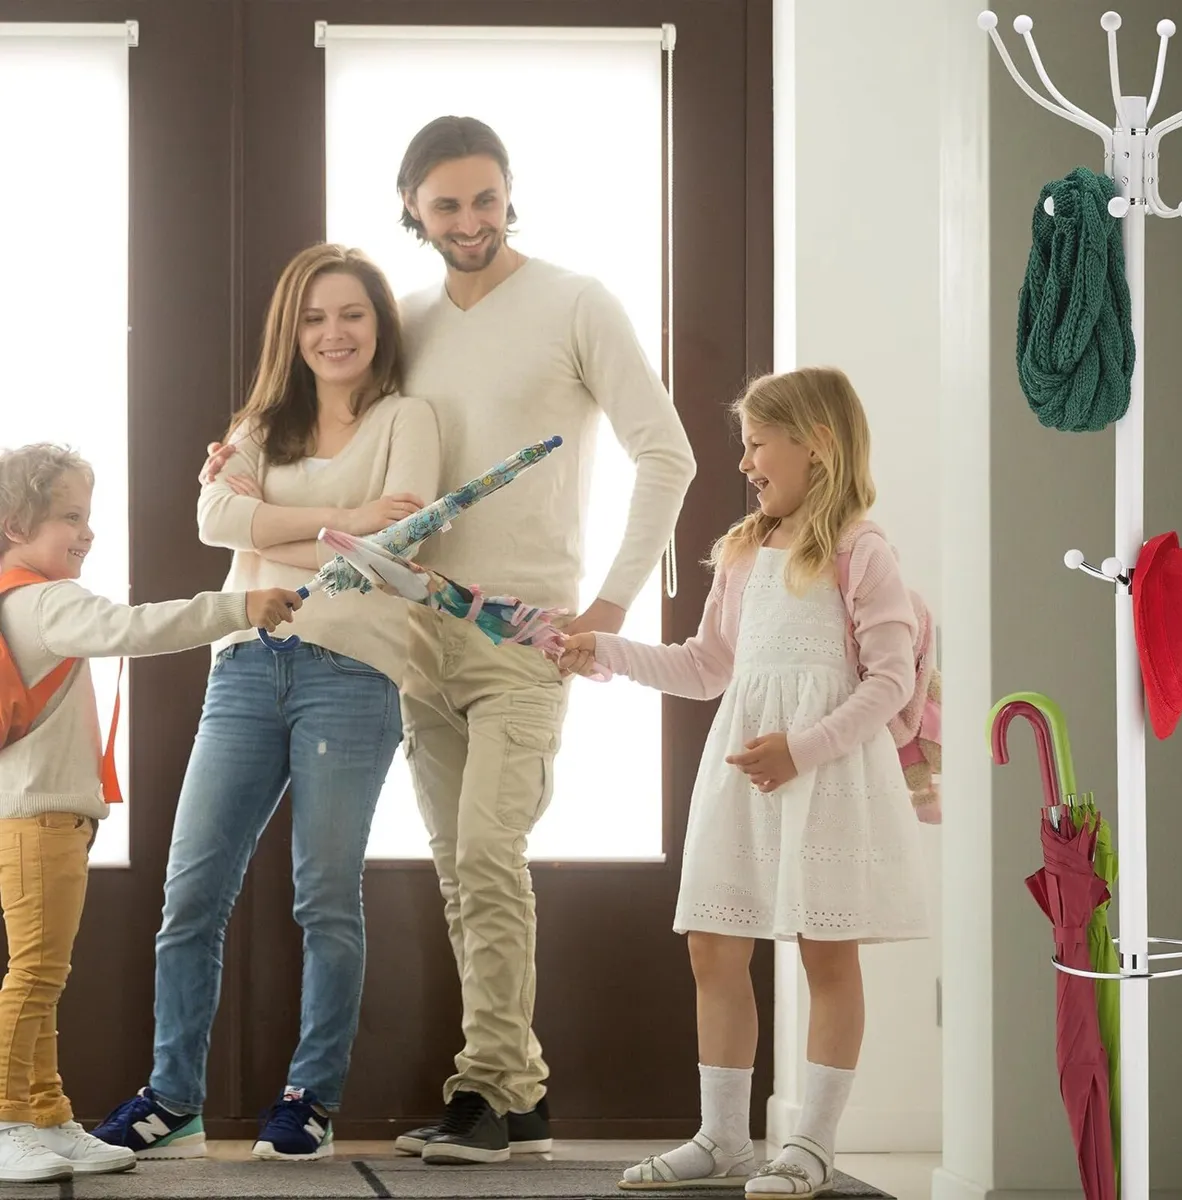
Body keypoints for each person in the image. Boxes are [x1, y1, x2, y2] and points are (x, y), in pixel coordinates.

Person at [200, 114, 696, 1164]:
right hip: (414, 634)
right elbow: (330, 412)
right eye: (445, 205)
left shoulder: (577, 302)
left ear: (511, 195)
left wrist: (608, 608)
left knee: (486, 850)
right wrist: (238, 455)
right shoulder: (407, 320)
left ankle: (499, 1085)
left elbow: (668, 454)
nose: (469, 221)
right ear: (413, 212)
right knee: (459, 866)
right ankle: (509, 1097)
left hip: (525, 632)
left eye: (484, 198)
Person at [92, 243, 440, 1162]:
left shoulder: (410, 418)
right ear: (292, 331)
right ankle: (173, 1099)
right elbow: (212, 521)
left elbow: (397, 562)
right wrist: (347, 527)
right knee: (191, 893)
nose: (334, 333)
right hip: (246, 664)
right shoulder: (257, 423)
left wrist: (301, 535)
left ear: (378, 325)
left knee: (326, 897)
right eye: (315, 318)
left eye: (352, 315)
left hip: (352, 676)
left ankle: (309, 1099)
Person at [560, 367, 928, 1195]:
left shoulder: (861, 550)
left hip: (824, 775)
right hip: (745, 777)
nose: (746, 462)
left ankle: (812, 1145)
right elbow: (705, 668)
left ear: (818, 445)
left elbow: (892, 679)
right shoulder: (741, 548)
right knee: (713, 945)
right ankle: (724, 1138)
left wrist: (803, 747)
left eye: (757, 443)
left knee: (827, 954)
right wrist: (605, 651)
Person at [0, 443, 301, 1183]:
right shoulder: (40, 599)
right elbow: (135, 627)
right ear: (15, 523)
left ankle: (46, 1114)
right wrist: (240, 607)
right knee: (36, 973)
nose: (87, 532)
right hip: (40, 816)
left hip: (46, 814)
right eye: (70, 516)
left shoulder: (22, 598)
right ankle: (8, 1117)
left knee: (43, 972)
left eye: (88, 516)